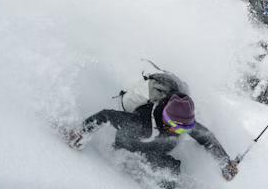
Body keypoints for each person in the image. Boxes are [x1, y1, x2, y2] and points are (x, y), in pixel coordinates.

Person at [66, 75, 238, 182]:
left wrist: (225, 162)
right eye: (177, 129)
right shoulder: (140, 123)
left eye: (184, 129)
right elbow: (105, 115)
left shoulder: (181, 122)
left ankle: (169, 188)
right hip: (132, 140)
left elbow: (206, 137)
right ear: (166, 120)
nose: (180, 132)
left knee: (171, 168)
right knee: (131, 146)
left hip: (154, 142)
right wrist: (81, 132)